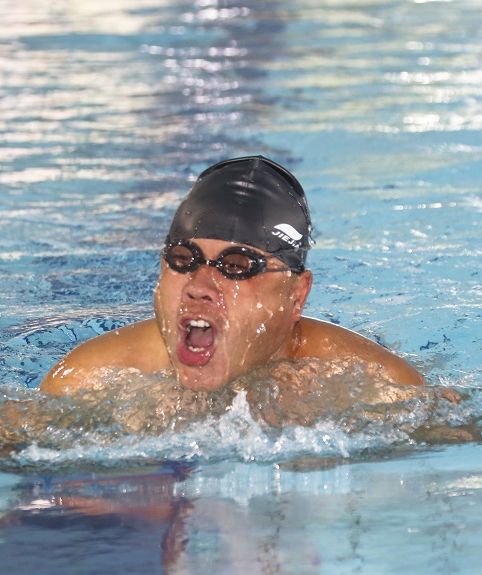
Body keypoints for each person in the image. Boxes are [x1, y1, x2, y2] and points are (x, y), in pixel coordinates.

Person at [40, 155, 426, 395]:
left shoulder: (379, 386)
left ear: (297, 296)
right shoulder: (85, 380)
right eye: (184, 259)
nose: (199, 287)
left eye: (238, 267)